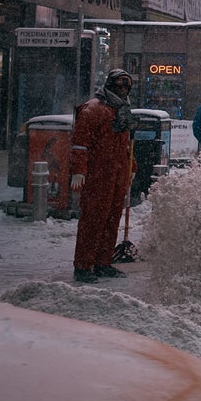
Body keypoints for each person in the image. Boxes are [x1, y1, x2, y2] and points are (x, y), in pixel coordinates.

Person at [70, 69, 137, 283]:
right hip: (98, 175)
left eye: (126, 86)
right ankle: (83, 266)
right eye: (119, 86)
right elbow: (80, 144)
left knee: (111, 220)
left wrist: (131, 167)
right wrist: (79, 171)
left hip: (117, 174)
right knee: (93, 220)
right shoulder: (93, 110)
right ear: (109, 85)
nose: (123, 89)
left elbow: (125, 145)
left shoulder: (122, 110)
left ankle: (102, 262)